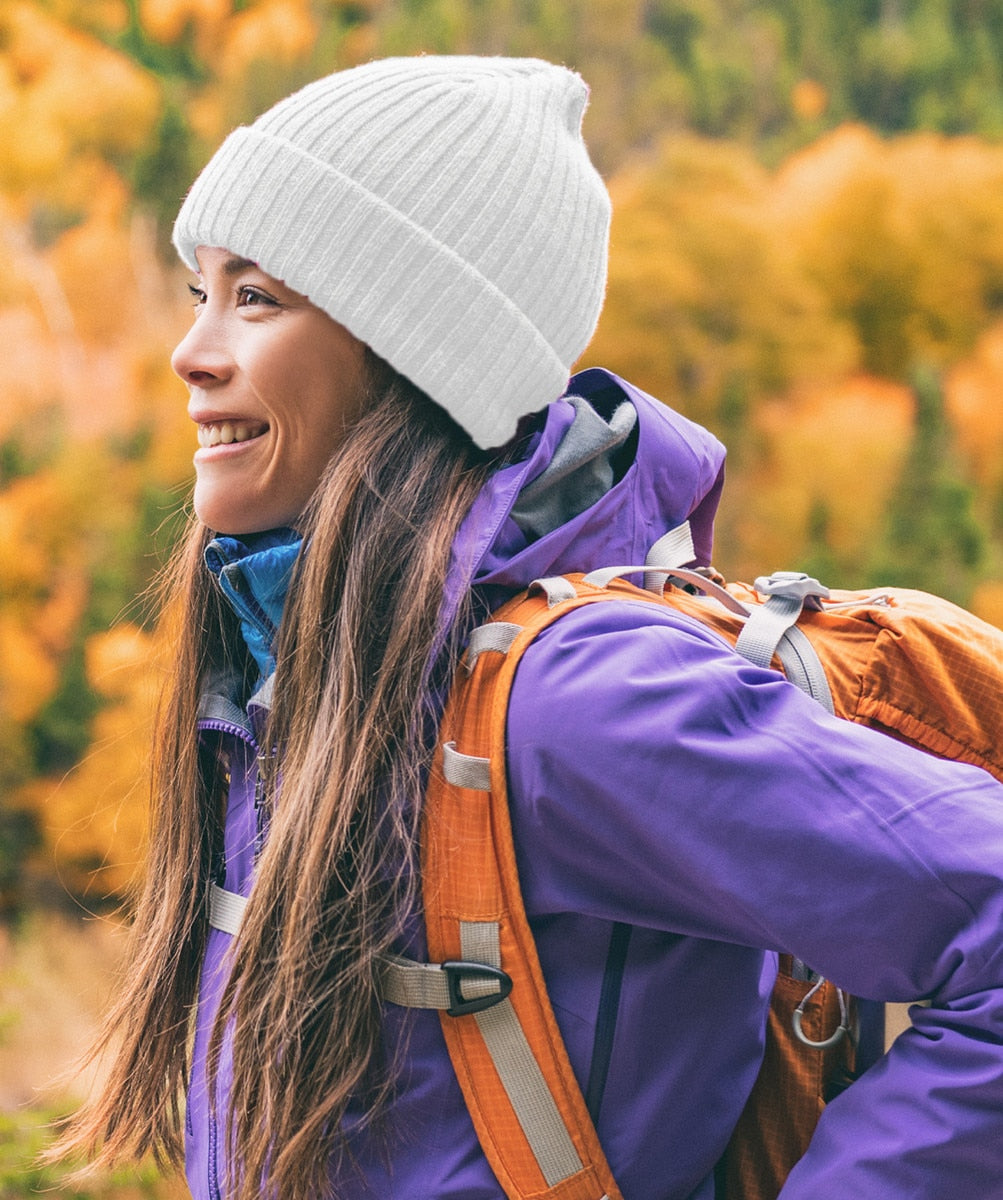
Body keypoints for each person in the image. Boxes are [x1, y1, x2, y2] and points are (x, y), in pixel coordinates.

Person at [60, 55, 1003, 1200]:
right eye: (202, 289)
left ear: (417, 356)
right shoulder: (292, 669)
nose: (190, 350)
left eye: (255, 297)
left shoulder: (580, 702)